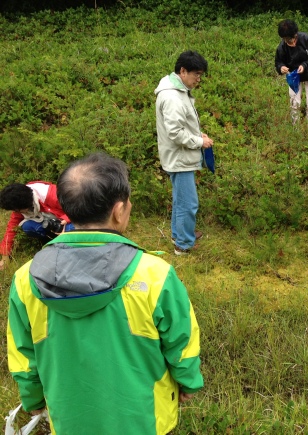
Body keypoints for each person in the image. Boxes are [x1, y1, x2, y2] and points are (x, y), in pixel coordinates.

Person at [7, 153, 203, 434]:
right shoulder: (154, 274)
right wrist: (188, 382)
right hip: (144, 419)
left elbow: (22, 353)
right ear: (119, 210)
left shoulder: (24, 278)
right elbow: (181, 342)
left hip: (70, 418)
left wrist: (32, 397)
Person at [155, 50, 214, 255]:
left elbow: (181, 125)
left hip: (179, 156)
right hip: (179, 158)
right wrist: (199, 141)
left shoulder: (178, 90)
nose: (199, 79)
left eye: (201, 75)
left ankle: (179, 233)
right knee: (188, 203)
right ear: (182, 71)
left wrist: (198, 133)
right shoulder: (172, 97)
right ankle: (183, 244)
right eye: (196, 74)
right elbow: (175, 133)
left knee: (180, 199)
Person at [0, 182, 74, 270]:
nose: (16, 212)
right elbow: (11, 228)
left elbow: (78, 206)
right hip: (51, 222)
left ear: (25, 205)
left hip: (70, 219)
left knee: (70, 229)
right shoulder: (20, 201)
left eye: (17, 210)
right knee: (28, 226)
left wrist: (65, 219)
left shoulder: (52, 194)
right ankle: (51, 241)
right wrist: (5, 256)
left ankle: (65, 243)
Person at [275, 19, 308, 124]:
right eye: (285, 39)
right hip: (294, 76)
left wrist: (304, 66)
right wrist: (281, 68)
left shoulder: (307, 40)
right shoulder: (282, 47)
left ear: (295, 34)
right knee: (295, 104)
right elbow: (278, 62)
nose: (289, 42)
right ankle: (296, 129)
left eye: (290, 38)